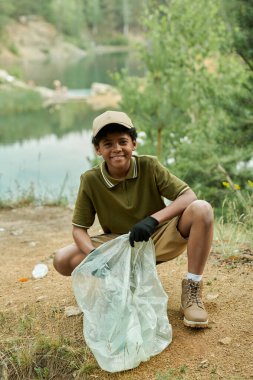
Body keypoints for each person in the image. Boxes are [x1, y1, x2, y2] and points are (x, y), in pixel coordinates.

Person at [54, 110, 214, 328]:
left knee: (202, 209)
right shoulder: (90, 180)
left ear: (134, 144)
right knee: (62, 259)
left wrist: (152, 220)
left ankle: (192, 289)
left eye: (123, 141)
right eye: (108, 144)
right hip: (120, 245)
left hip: (157, 238)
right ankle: (120, 282)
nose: (117, 149)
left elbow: (188, 196)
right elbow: (79, 229)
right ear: (98, 149)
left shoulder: (149, 166)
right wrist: (95, 257)